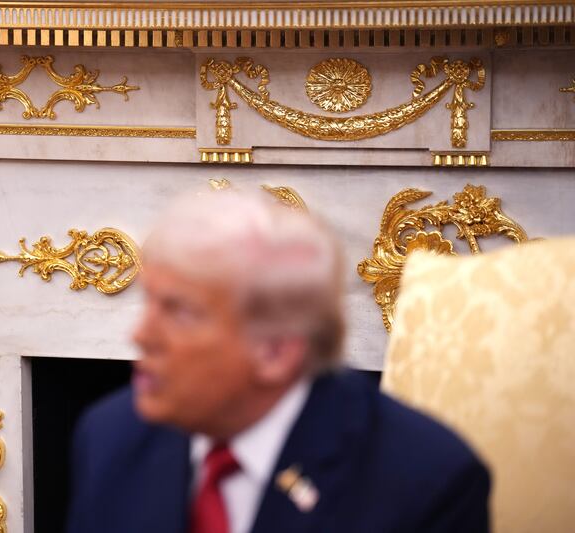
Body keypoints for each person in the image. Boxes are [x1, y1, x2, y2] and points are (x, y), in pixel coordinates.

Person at [66, 187, 490, 533]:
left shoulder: (427, 481)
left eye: (178, 311)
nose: (140, 335)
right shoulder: (110, 437)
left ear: (276, 350)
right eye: (149, 303)